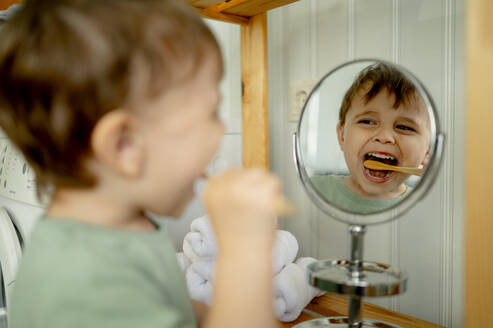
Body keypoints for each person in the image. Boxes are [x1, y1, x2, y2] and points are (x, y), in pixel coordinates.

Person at [0, 1, 282, 327]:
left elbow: (171, 308)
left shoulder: (121, 232)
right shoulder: (88, 286)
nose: (221, 133)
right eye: (210, 114)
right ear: (124, 145)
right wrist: (246, 252)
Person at [311, 63, 430, 213]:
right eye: (367, 122)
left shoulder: (426, 206)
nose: (384, 137)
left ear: (427, 151)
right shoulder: (313, 189)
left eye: (404, 127)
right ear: (342, 136)